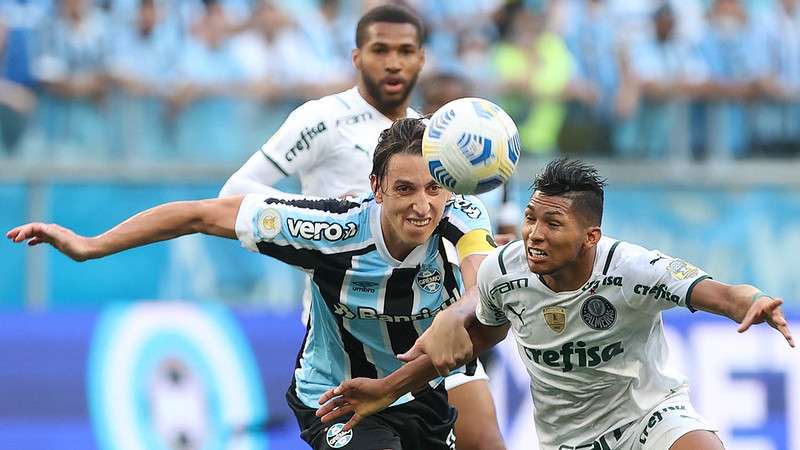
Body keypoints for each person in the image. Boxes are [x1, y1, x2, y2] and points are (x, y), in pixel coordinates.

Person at [7, 118, 497, 450]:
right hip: (338, 396)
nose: (422, 205)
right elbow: (199, 215)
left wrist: (460, 313)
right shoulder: (329, 231)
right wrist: (91, 245)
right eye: (404, 189)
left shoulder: (462, 217)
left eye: (434, 188)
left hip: (422, 393)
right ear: (376, 187)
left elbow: (482, 282)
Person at [315, 158, 796, 450]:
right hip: (568, 440)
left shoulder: (632, 268)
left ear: (590, 236)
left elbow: (718, 293)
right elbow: (464, 347)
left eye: (552, 223)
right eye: (529, 218)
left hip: (648, 416)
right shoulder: (504, 273)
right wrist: (388, 388)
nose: (534, 235)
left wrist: (752, 301)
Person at [218, 4, 505, 449]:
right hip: (351, 312)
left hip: (435, 314)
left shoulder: (432, 135)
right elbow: (236, 192)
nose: (393, 62)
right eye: (380, 50)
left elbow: (464, 220)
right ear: (357, 57)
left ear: (422, 59)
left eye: (405, 51)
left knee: (485, 442)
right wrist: (330, 214)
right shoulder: (320, 119)